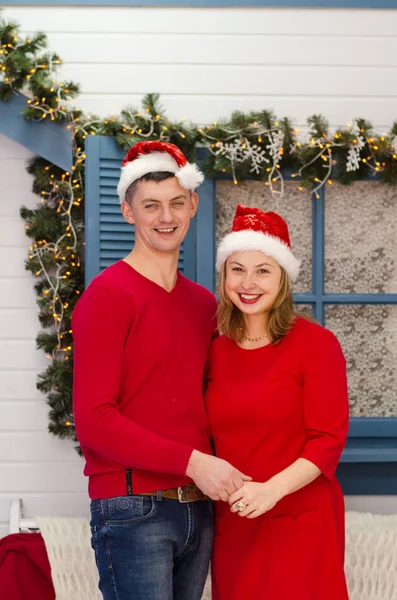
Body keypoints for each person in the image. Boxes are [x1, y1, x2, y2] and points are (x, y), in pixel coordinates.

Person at [72, 142, 250, 600]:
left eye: (175, 202)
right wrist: (193, 462)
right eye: (150, 205)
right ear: (128, 212)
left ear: (192, 205)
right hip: (133, 508)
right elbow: (94, 421)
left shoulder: (202, 304)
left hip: (200, 507)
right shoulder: (107, 296)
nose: (165, 216)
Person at [205, 205, 350, 600]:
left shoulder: (316, 344)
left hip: (299, 517)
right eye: (237, 269)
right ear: (224, 275)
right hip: (234, 524)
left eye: (263, 270)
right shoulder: (215, 352)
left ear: (282, 278)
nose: (247, 282)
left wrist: (271, 490)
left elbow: (328, 440)